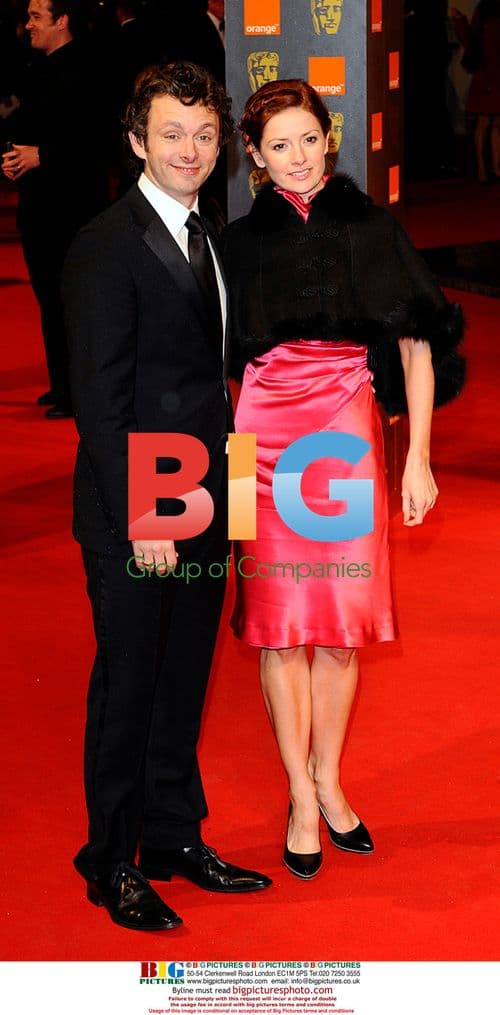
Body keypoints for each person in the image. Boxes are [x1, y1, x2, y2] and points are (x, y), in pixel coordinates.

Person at [222, 80, 465, 880]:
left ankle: (330, 778)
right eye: (278, 145)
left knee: (339, 623)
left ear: (330, 139)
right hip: (258, 436)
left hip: (346, 435)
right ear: (253, 158)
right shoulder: (234, 243)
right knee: (278, 624)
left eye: (309, 139)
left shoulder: (370, 227)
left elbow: (415, 347)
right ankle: (298, 790)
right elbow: (198, 368)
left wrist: (418, 454)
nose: (298, 158)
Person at [62, 61, 271, 932]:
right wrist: (144, 517)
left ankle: (172, 834)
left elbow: (214, 380)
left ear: (221, 144)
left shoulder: (210, 234)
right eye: (172, 133)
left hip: (210, 488)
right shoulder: (107, 244)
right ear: (138, 140)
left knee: (186, 670)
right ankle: (107, 858)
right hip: (142, 506)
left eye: (204, 134)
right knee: (131, 679)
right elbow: (101, 399)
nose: (189, 149)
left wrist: (238, 499)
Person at [1, 0, 109, 418]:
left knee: (75, 301)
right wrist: (12, 157)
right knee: (47, 295)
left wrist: (42, 155)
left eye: (36, 18)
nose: (27, 26)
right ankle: (61, 383)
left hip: (76, 209)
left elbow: (98, 142)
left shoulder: (89, 69)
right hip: (38, 205)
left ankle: (79, 391)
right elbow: (24, 130)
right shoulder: (36, 69)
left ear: (62, 21)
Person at [451, 1, 500, 182]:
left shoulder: (485, 11)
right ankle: (483, 169)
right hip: (486, 74)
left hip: (491, 74)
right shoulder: (484, 11)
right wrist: (459, 21)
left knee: (493, 123)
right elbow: (471, 40)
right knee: (485, 122)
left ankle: (493, 168)